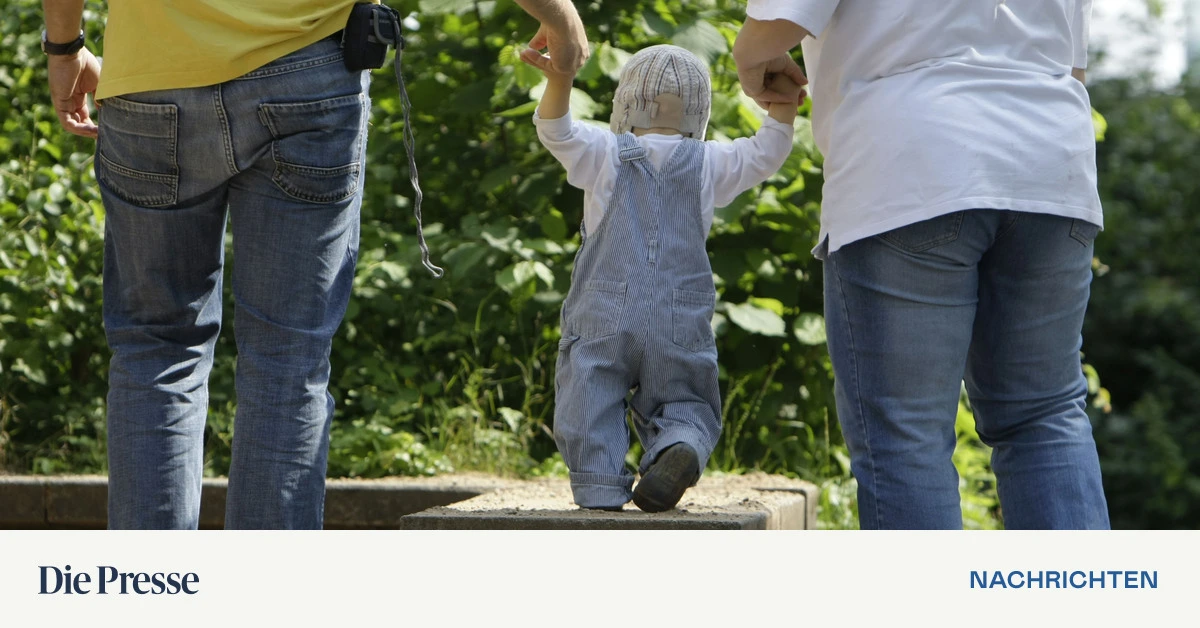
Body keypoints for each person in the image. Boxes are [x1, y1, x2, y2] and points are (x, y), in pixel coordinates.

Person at [42, 0, 588, 529]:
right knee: (288, 358)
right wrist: (556, 14)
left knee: (155, 348)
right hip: (306, 74)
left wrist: (64, 47)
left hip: (149, 80)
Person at [732, 0, 1110, 529]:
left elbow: (776, 28)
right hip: (1050, 164)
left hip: (910, 160)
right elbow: (1073, 65)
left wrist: (749, 56)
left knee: (906, 438)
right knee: (1043, 417)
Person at [521, 42, 803, 511]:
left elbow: (555, 128)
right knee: (685, 394)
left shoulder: (605, 152)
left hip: (605, 308)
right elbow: (766, 152)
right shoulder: (710, 162)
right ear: (700, 113)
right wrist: (782, 106)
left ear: (623, 106)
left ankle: (598, 485)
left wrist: (561, 78)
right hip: (680, 312)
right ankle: (681, 444)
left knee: (589, 388)